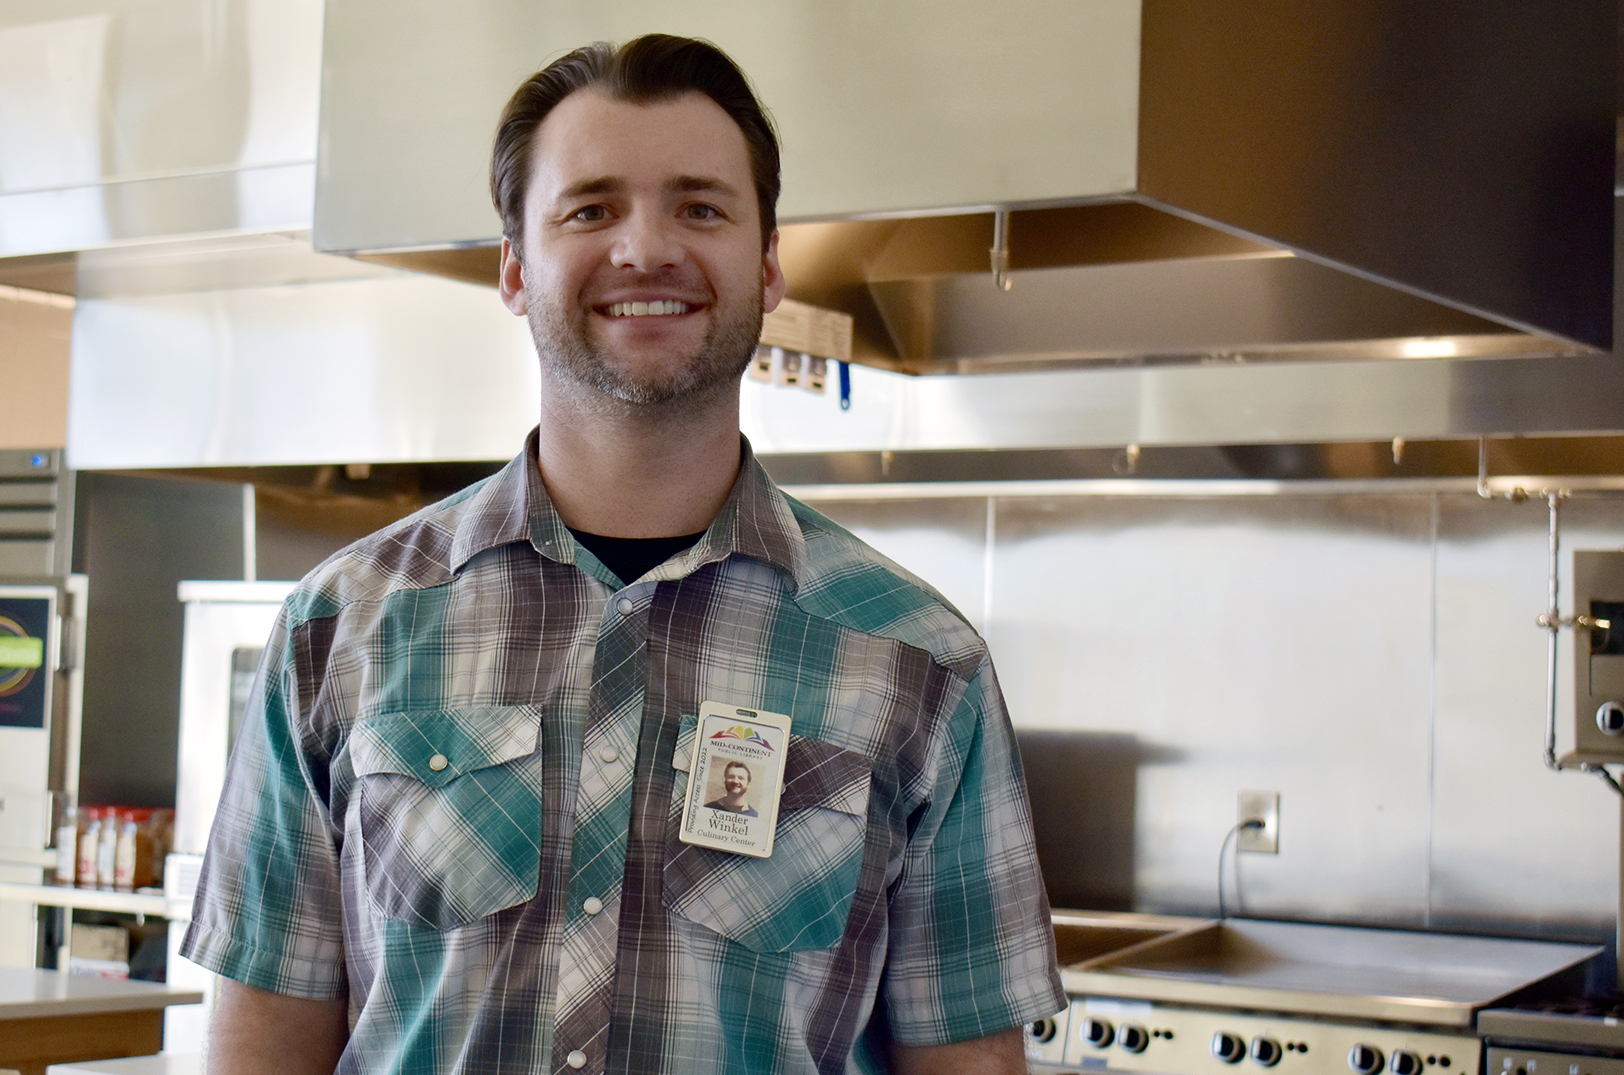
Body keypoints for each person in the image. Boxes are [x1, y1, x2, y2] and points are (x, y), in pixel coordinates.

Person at [182, 33, 1063, 1075]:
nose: (645, 248)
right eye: (590, 208)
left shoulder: (918, 660)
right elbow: (261, 1052)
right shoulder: (341, 628)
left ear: (768, 261)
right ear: (515, 266)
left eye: (699, 206)